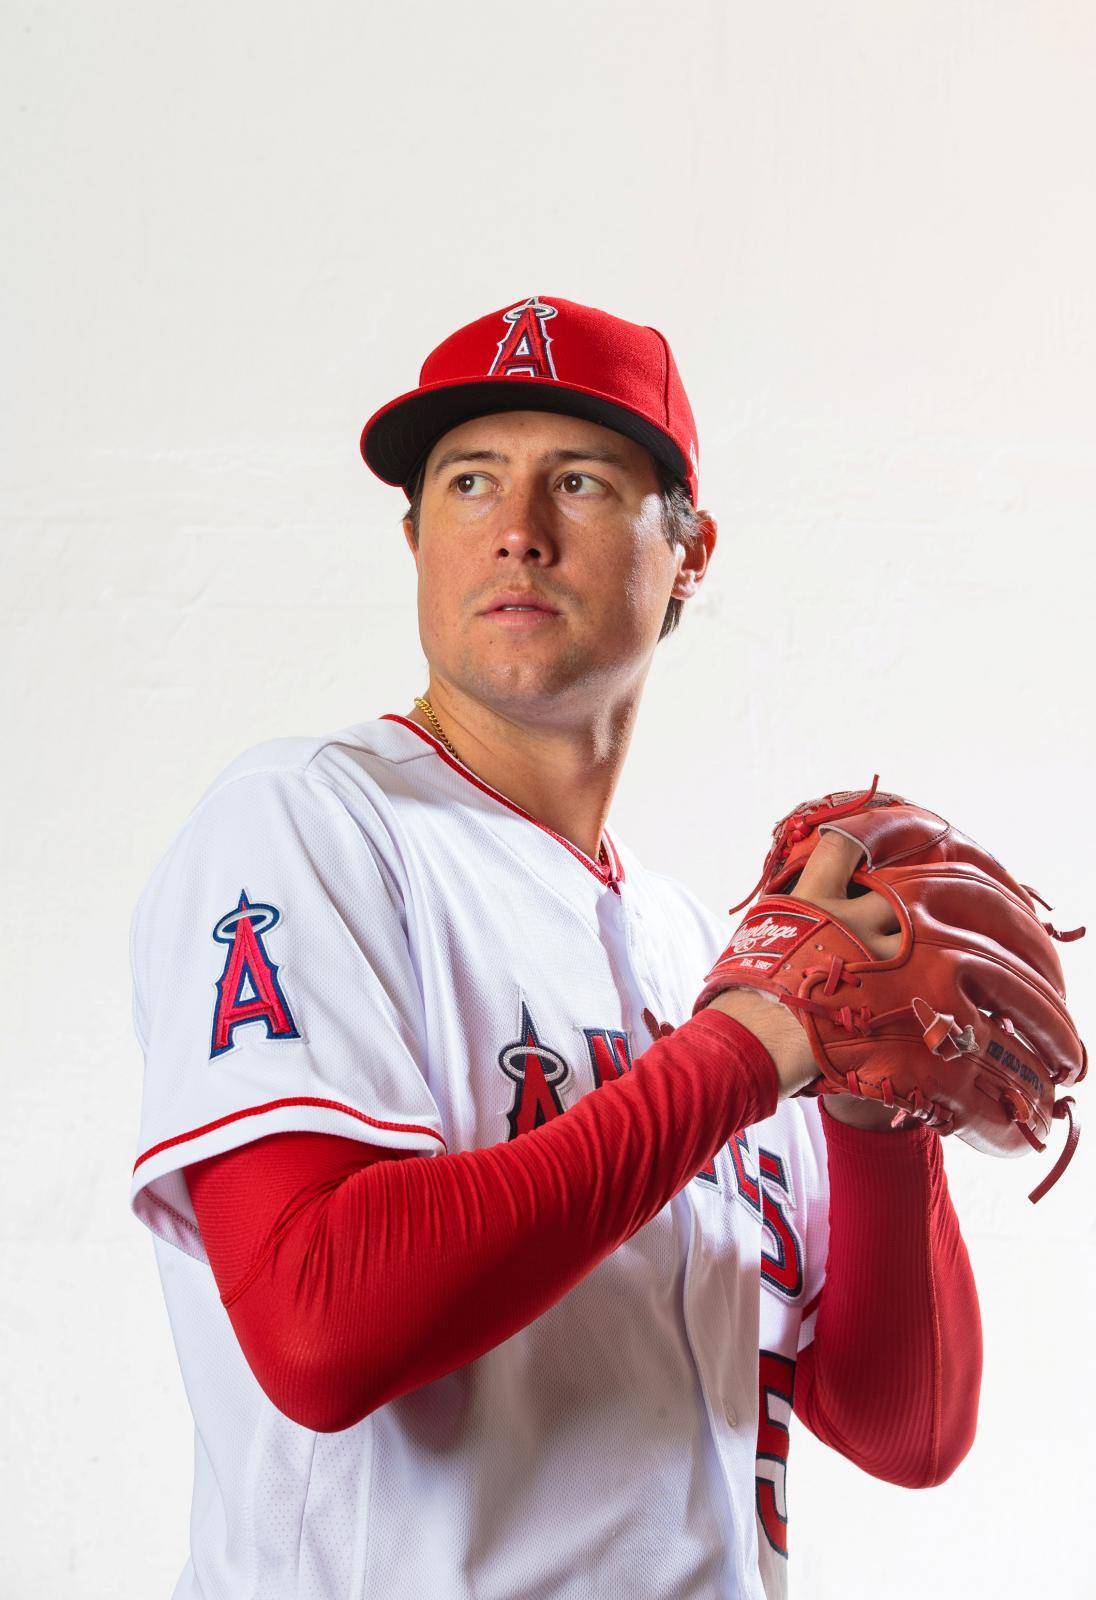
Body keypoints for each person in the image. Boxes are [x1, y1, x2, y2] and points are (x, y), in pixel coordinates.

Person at [129, 294, 981, 1600]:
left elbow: (902, 1429)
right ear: (416, 539)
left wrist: (880, 1102)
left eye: (577, 481)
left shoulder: (708, 949)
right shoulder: (314, 820)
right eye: (469, 482)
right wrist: (743, 1057)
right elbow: (318, 1326)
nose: (515, 532)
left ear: (687, 551)